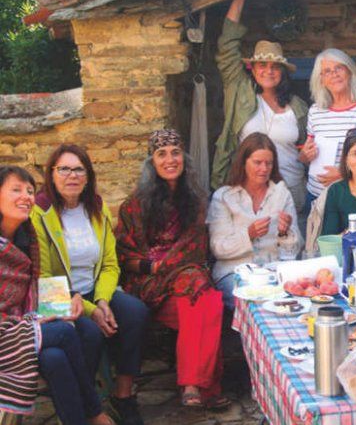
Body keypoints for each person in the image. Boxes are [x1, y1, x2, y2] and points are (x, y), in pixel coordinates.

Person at [31, 145, 148, 425]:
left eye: (79, 169)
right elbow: (44, 277)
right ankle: (84, 406)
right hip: (58, 295)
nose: (72, 175)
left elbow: (110, 264)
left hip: (97, 290)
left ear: (87, 175)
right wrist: (90, 310)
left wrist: (103, 302)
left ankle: (123, 397)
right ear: (52, 174)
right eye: (64, 169)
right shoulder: (41, 213)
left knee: (135, 312)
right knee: (90, 333)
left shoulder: (97, 208)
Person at [115, 130, 227, 409]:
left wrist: (175, 268)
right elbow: (125, 255)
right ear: (151, 162)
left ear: (184, 158)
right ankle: (207, 387)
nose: (170, 159)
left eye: (175, 152)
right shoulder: (134, 206)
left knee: (206, 302)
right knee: (205, 299)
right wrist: (155, 266)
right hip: (149, 285)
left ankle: (191, 384)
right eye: (161, 154)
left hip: (188, 283)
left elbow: (195, 248)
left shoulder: (197, 202)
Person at [0, 166, 114, 425]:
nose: (26, 196)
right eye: (15, 189)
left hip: (20, 322)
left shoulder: (27, 236)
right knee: (64, 333)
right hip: (5, 330)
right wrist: (27, 322)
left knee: (57, 357)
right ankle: (95, 412)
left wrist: (71, 296)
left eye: (30, 191)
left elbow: (37, 284)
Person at [211, 0, 308, 222]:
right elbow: (227, 45)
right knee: (249, 245)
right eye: (262, 65)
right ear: (252, 70)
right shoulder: (239, 93)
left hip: (291, 188)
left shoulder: (298, 107)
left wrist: (307, 156)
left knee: (288, 247)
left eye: (275, 66)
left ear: (283, 72)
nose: (268, 70)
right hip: (247, 189)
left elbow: (307, 147)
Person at [207, 132, 302, 309]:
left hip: (273, 272)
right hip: (233, 273)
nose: (264, 169)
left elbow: (293, 252)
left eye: (269, 163)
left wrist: (284, 233)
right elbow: (218, 248)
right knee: (255, 303)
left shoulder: (281, 194)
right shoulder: (224, 197)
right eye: (257, 162)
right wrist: (248, 235)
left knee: (292, 300)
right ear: (243, 163)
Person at [301, 48, 356, 210]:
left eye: (339, 68)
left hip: (354, 195)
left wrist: (344, 174)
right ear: (321, 80)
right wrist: (305, 155)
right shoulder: (315, 111)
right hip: (316, 196)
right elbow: (306, 155)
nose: (334, 74)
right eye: (327, 71)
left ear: (350, 72)